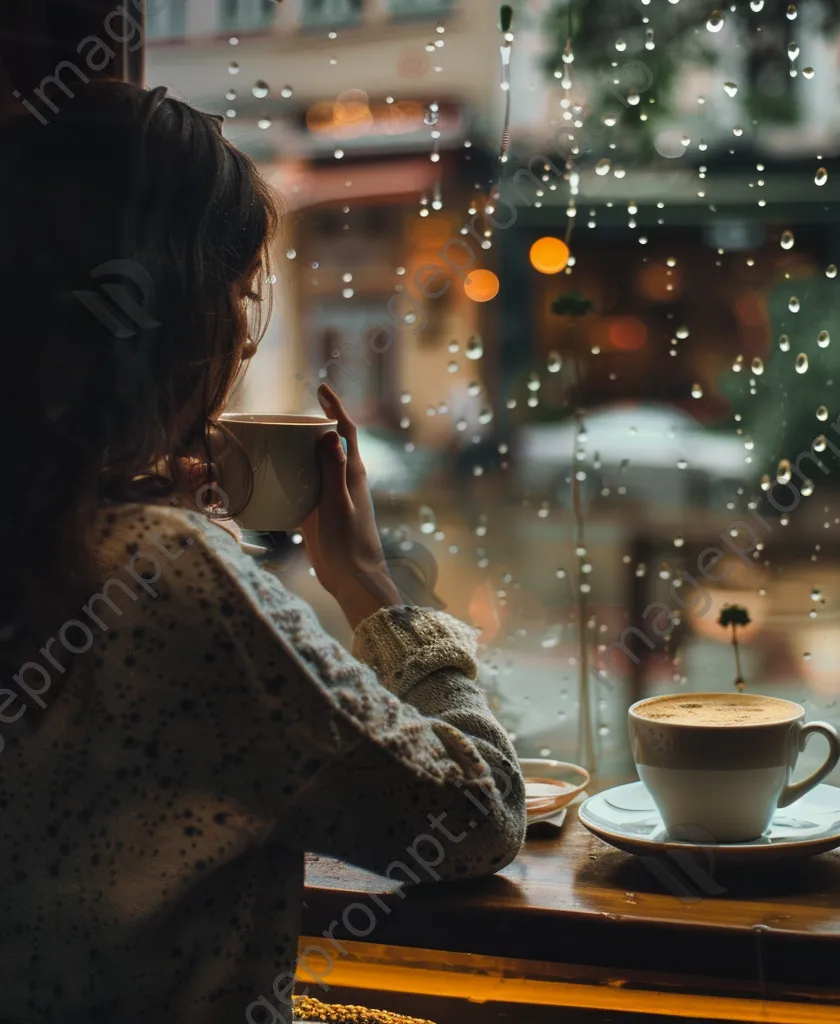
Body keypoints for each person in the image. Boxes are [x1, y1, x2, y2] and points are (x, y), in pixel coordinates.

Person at [0, 81, 525, 1024]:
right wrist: (371, 585)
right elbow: (475, 815)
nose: (247, 333)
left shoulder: (97, 543)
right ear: (176, 315)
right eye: (242, 293)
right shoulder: (164, 577)